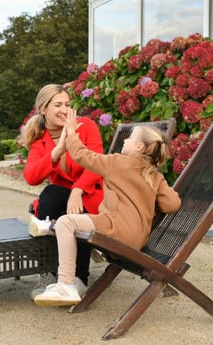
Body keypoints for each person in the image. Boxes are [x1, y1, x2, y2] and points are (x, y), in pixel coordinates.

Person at [34, 109, 181, 306]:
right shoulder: (155, 176)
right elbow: (172, 204)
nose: (125, 140)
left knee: (66, 223)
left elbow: (81, 155)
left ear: (139, 146)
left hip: (115, 230)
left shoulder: (116, 163)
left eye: (129, 138)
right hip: (137, 240)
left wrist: (70, 132)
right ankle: (67, 279)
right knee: (76, 221)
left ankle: (66, 283)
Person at [22, 84, 104, 299]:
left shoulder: (85, 126)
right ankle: (49, 275)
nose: (64, 109)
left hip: (90, 196)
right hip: (60, 200)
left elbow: (97, 163)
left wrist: (78, 189)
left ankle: (79, 279)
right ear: (43, 109)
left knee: (72, 210)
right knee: (51, 198)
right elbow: (31, 177)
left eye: (67, 104)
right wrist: (57, 151)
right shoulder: (40, 139)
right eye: (57, 105)